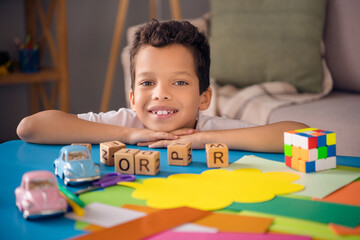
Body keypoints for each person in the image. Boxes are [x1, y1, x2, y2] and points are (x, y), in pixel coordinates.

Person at [17, 20, 308, 152]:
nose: (161, 93)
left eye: (179, 82)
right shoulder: (124, 122)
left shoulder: (213, 130)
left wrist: (201, 141)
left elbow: (304, 135)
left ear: (204, 98)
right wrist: (131, 133)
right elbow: (29, 128)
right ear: (132, 97)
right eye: (147, 82)